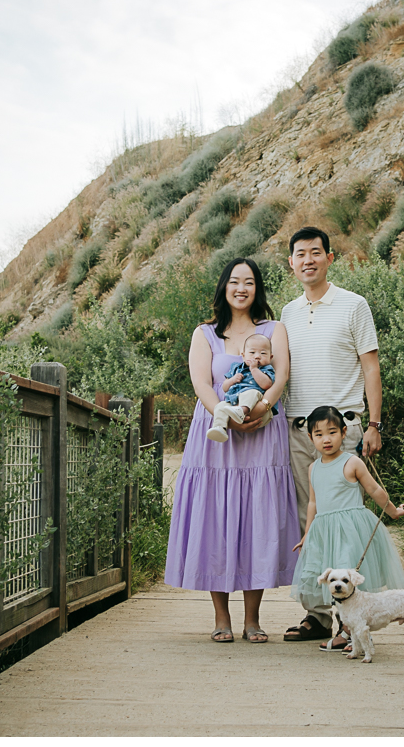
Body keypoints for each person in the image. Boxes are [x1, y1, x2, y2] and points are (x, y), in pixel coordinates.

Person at [164, 258, 299, 643]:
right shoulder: (205, 333)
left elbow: (282, 376)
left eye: (250, 282)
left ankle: (253, 619)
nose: (242, 288)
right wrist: (228, 418)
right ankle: (221, 617)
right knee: (216, 518)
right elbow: (202, 384)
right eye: (235, 281)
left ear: (258, 289)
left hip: (262, 434)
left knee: (257, 518)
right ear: (224, 286)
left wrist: (260, 410)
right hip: (216, 436)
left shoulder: (275, 329)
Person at [281, 225, 384, 644]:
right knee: (313, 524)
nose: (308, 260)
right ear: (291, 263)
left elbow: (371, 365)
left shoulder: (353, 305)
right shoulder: (286, 313)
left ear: (329, 258)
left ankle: (350, 621)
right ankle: (320, 616)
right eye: (300, 254)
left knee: (343, 525)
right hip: (300, 431)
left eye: (316, 253)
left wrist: (374, 423)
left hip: (344, 430)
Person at [290, 406, 404, 648]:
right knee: (331, 583)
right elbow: (313, 502)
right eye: (319, 434)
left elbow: (374, 489)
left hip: (350, 531)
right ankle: (349, 631)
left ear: (344, 432)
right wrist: (307, 534)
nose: (326, 439)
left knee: (348, 580)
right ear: (310, 437)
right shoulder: (313, 468)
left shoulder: (352, 462)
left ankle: (348, 632)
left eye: (332, 432)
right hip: (324, 533)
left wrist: (393, 511)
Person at [207, 333, 277, 442]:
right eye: (252, 352)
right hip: (234, 402)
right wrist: (232, 380)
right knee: (220, 406)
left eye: (263, 353)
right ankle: (219, 427)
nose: (257, 356)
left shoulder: (266, 369)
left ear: (270, 357)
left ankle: (242, 411)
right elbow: (225, 387)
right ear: (243, 355)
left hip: (257, 407)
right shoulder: (236, 368)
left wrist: (254, 369)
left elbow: (266, 384)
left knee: (251, 392)